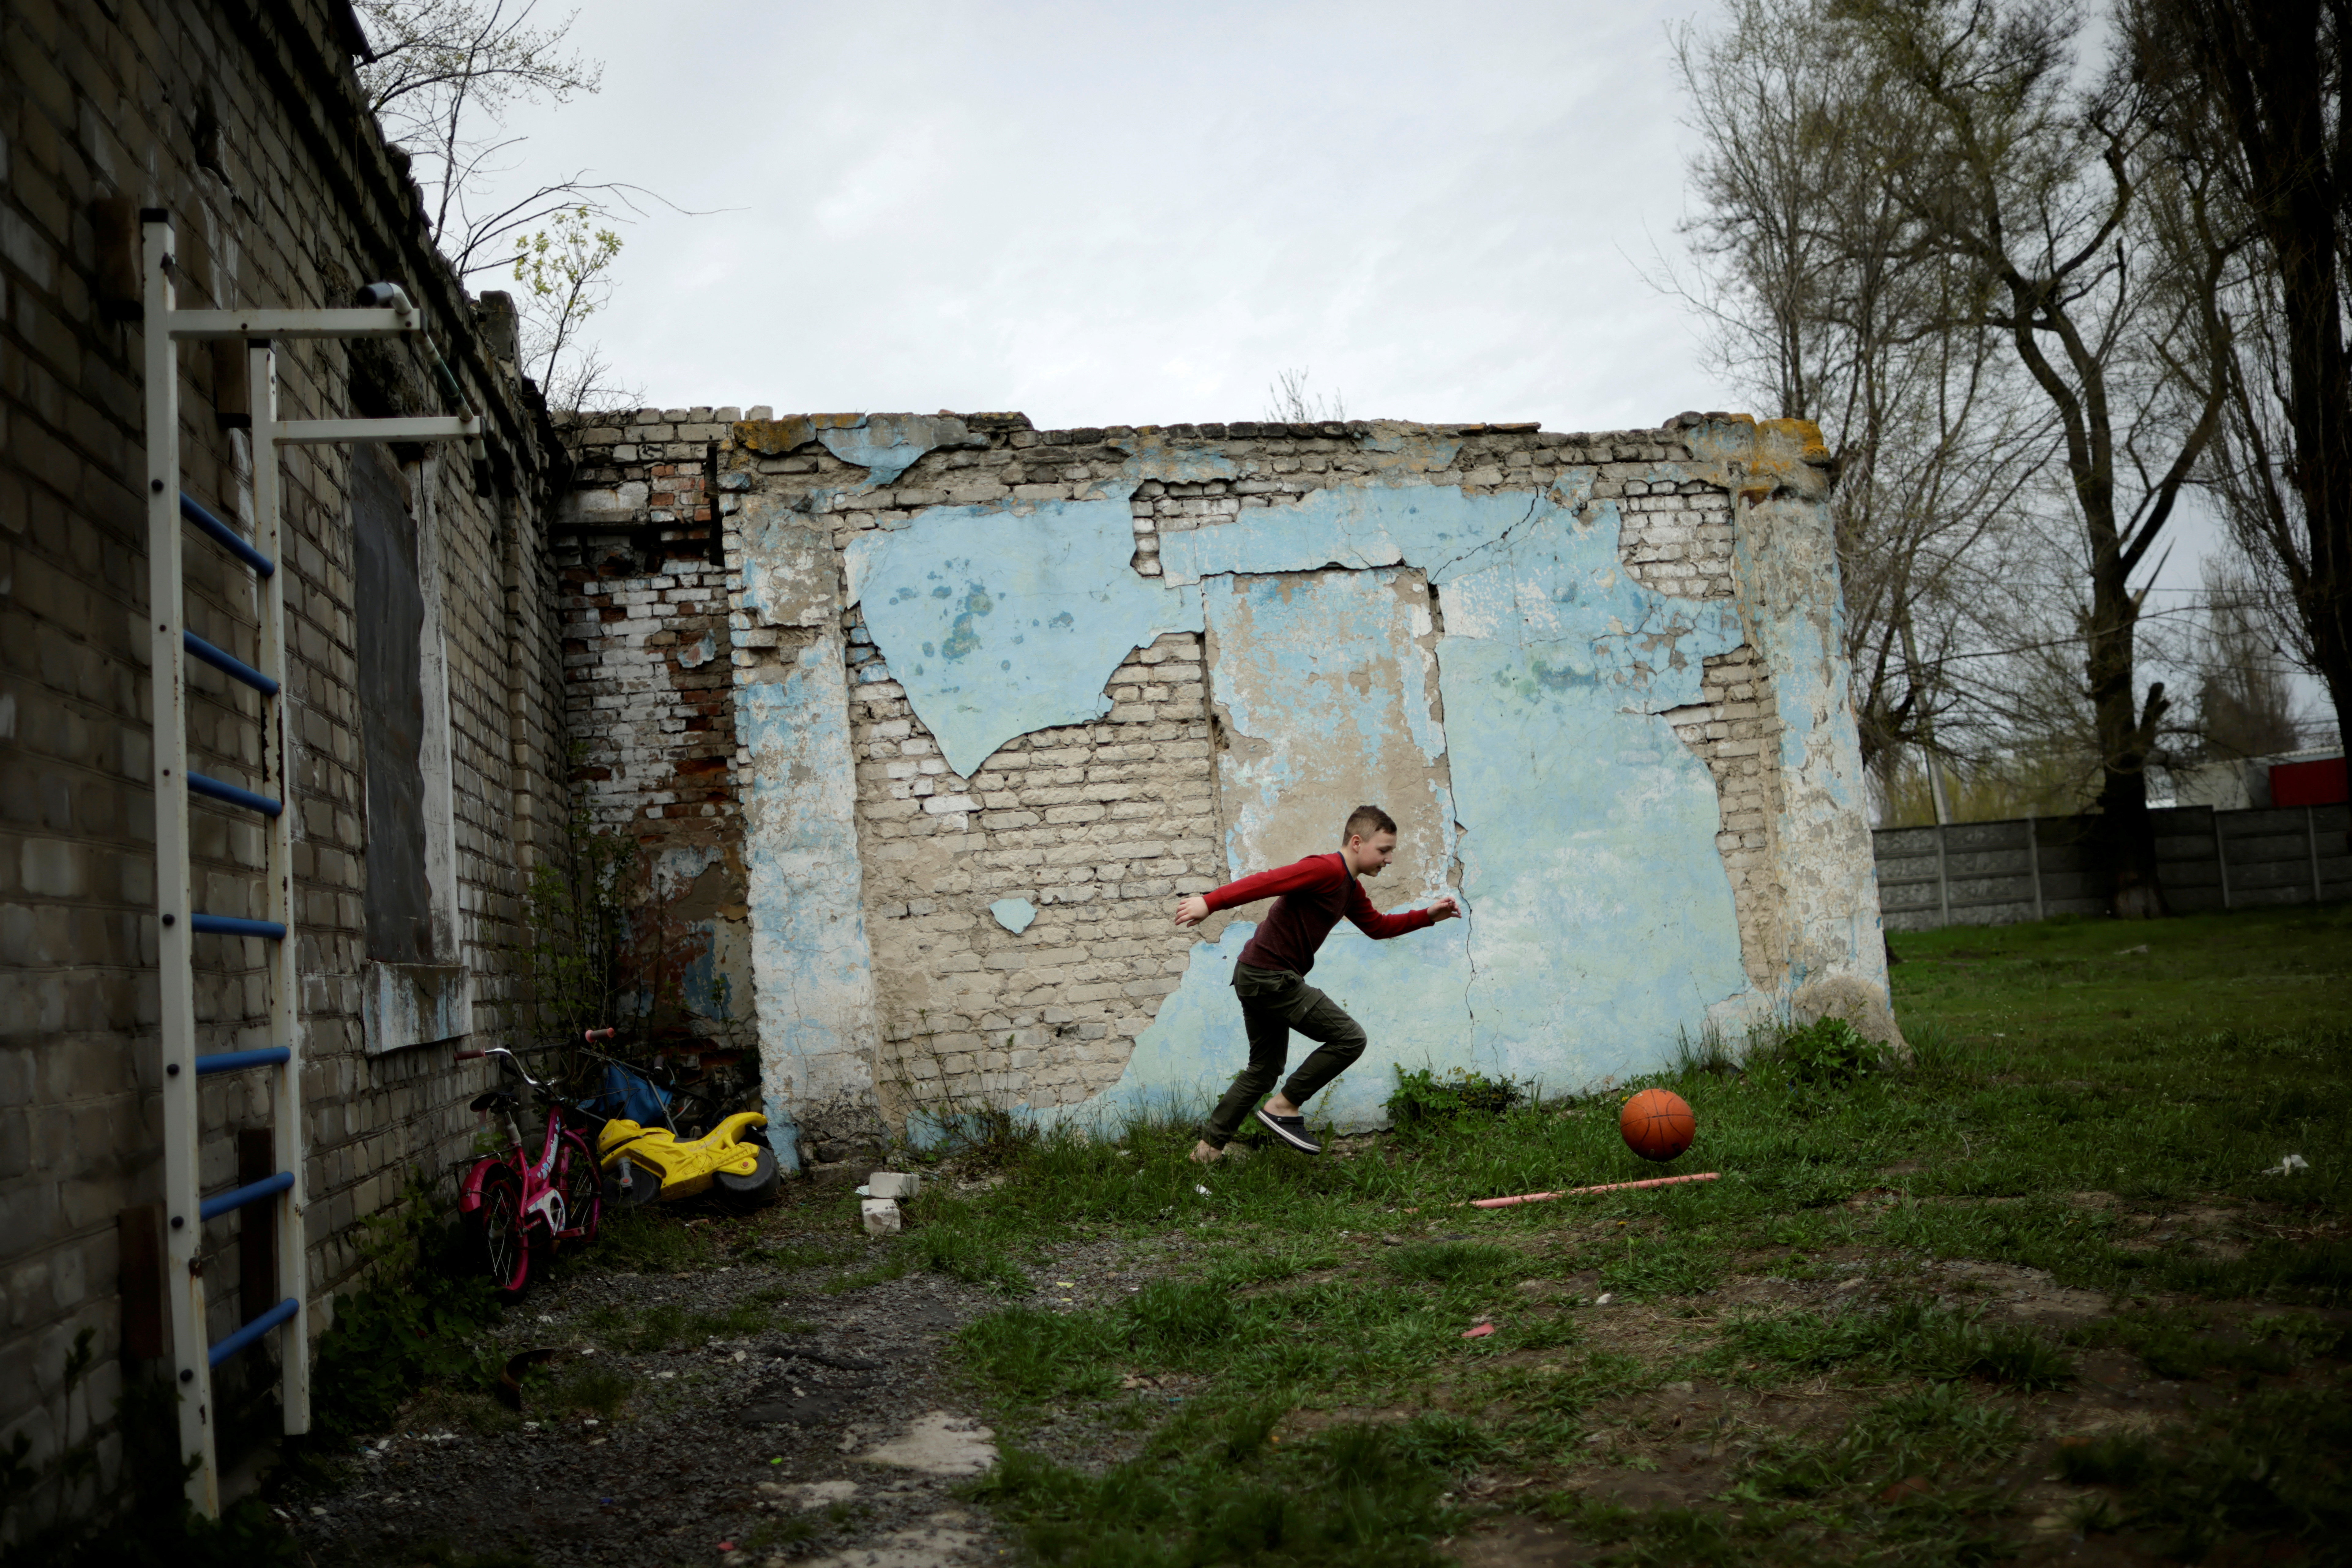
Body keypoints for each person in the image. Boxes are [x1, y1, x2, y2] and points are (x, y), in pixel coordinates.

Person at [1172, 804, 1462, 1161]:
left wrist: (1427, 916)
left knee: (1262, 1071)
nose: (1388, 860)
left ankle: (1206, 1153)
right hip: (1270, 977)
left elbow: (1377, 927)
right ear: (1357, 842)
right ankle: (1283, 1106)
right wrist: (1209, 902)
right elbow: (1268, 881)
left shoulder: (1349, 888)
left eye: (1391, 852)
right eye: (1384, 850)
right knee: (1349, 1037)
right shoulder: (1325, 869)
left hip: (1255, 974)